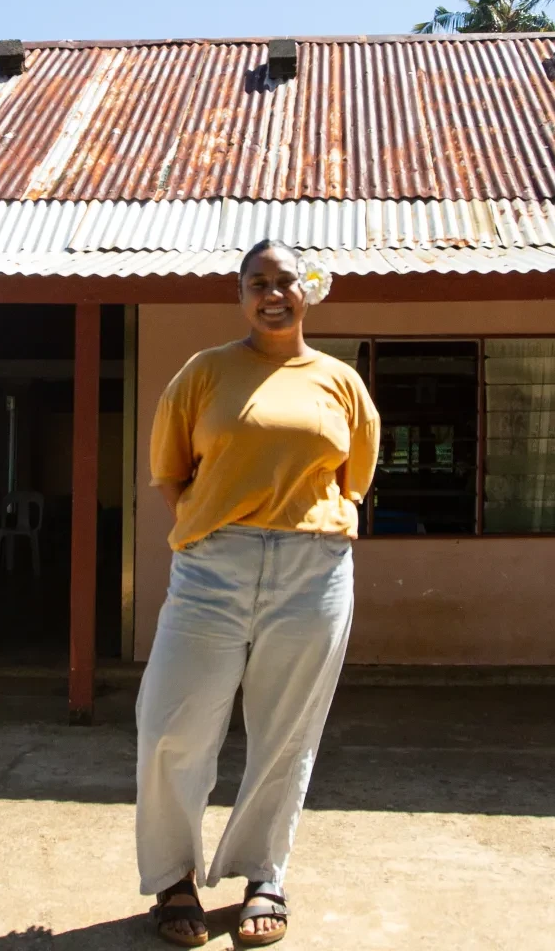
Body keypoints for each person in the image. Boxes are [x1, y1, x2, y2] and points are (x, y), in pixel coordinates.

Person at [136, 239, 380, 947]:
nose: (271, 294)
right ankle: (173, 878)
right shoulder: (204, 373)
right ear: (239, 294)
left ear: (310, 289)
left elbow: (354, 475)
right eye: (256, 283)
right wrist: (204, 530)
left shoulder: (339, 382)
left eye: (284, 281)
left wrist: (327, 528)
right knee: (173, 725)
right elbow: (168, 473)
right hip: (213, 566)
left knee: (286, 732)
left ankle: (262, 874)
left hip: (313, 568)